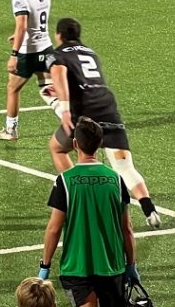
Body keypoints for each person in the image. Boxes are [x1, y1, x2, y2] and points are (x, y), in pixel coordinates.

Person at [45, 18, 162, 229]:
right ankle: (150, 210)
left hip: (85, 114)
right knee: (125, 166)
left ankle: (78, 194)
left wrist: (63, 109)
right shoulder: (91, 53)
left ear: (59, 34)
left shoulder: (58, 54)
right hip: (108, 108)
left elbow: (59, 74)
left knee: (57, 148)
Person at [39, 117, 139, 307]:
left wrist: (45, 265)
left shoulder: (65, 181)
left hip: (78, 266)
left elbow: (54, 229)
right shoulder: (116, 179)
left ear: (75, 144)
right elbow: (127, 228)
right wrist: (131, 265)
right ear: (100, 144)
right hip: (112, 265)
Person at [0, 0, 55, 141]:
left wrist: (14, 54)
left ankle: (10, 130)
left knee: (12, 88)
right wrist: (18, 34)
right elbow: (35, 22)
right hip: (47, 48)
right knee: (50, 91)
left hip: (29, 53)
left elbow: (22, 27)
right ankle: (73, 127)